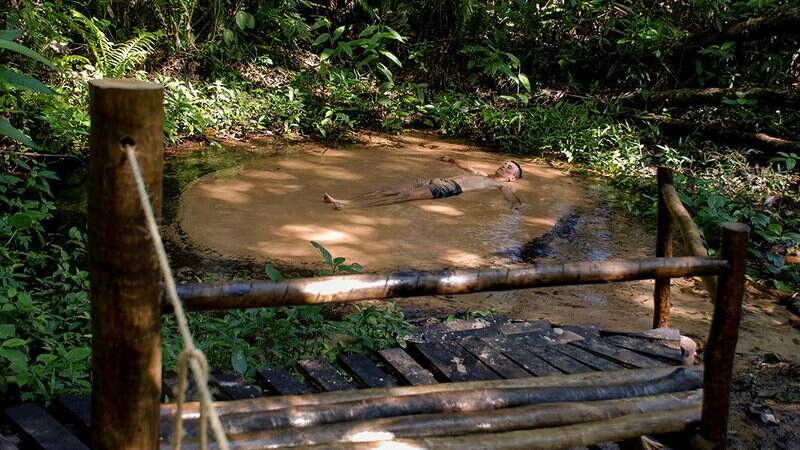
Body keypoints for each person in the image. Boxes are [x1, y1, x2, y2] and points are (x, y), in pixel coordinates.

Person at [324, 156, 523, 210]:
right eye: (505, 164)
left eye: (509, 168)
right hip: (438, 180)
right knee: (390, 189)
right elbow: (465, 167)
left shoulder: (501, 185)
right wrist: (450, 160)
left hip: (449, 188)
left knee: (404, 196)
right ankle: (346, 200)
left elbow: (511, 198)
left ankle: (348, 207)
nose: (505, 166)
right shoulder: (483, 174)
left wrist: (516, 207)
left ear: (512, 178)